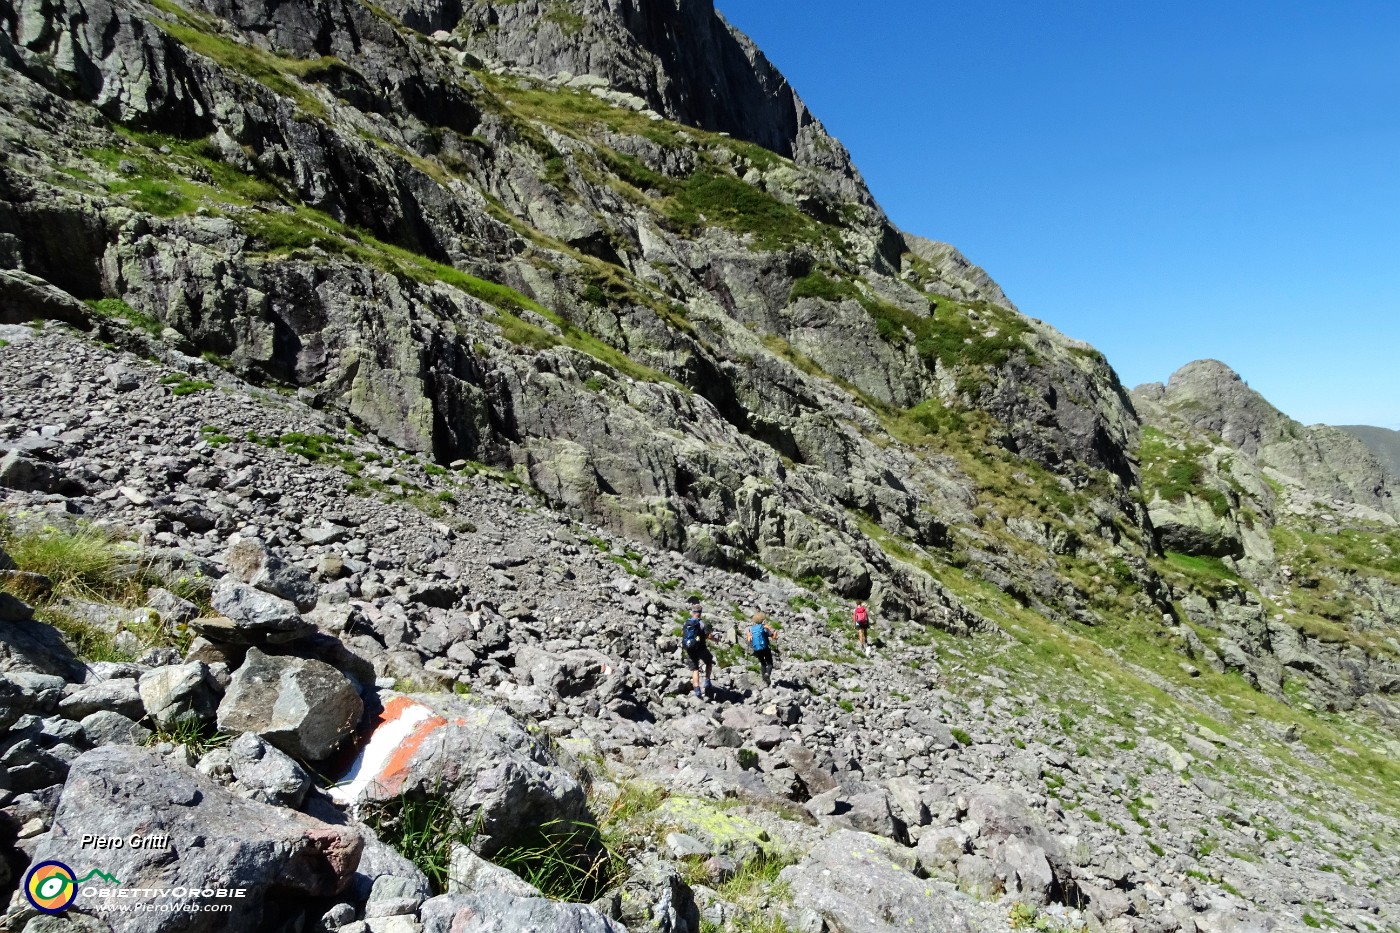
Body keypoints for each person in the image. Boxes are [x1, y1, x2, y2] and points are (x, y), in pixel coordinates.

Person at [681, 597, 719, 698]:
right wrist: (714, 639)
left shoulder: (686, 622)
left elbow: (682, 633)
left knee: (695, 669)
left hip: (690, 648)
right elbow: (708, 635)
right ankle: (707, 681)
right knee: (709, 661)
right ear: (700, 612)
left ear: (692, 612)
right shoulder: (701, 623)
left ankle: (697, 690)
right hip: (701, 648)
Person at [745, 611, 776, 686]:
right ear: (762, 619)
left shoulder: (751, 629)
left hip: (757, 649)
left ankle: (764, 681)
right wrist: (774, 634)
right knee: (770, 663)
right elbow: (772, 636)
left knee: (763, 664)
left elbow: (749, 639)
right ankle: (767, 674)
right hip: (765, 647)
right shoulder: (764, 627)